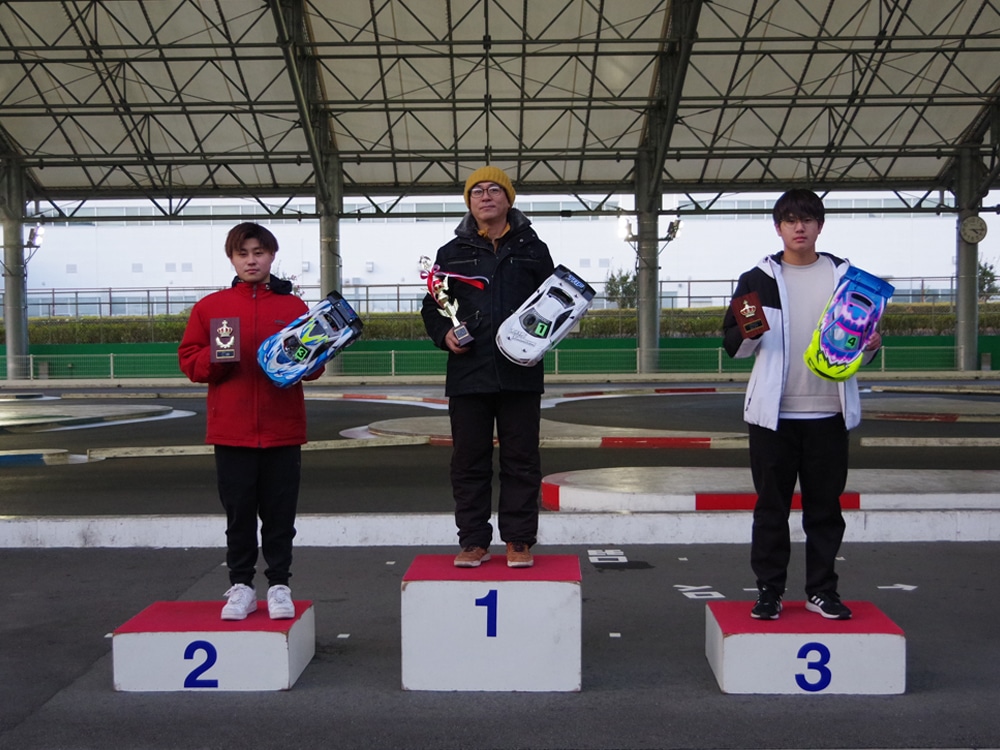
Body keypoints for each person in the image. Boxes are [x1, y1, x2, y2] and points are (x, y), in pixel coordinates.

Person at [722, 189, 882, 621]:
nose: (799, 227)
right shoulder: (756, 280)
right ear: (778, 228)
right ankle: (769, 592)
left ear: (819, 226)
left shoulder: (846, 278)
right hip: (772, 416)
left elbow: (862, 346)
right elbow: (733, 347)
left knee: (825, 510)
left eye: (807, 219)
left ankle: (822, 591)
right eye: (791, 220)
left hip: (830, 413)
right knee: (770, 510)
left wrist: (871, 345)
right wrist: (750, 332)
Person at [178, 222, 322, 620]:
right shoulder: (211, 307)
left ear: (272, 256)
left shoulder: (293, 308)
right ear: (232, 259)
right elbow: (189, 361)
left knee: (280, 516)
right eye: (242, 254)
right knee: (239, 515)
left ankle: (279, 586)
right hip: (232, 432)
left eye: (259, 252)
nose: (251, 260)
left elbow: (312, 369)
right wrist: (217, 359)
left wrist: (312, 357)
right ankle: (240, 585)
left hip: (283, 430)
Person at [421, 166, 555, 568]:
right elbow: (432, 306)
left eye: (494, 190)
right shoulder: (450, 253)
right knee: (468, 462)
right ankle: (473, 541)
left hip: (521, 372)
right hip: (468, 374)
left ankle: (519, 540)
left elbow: (556, 304)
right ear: (469, 202)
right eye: (477, 191)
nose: (485, 197)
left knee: (521, 461)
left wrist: (544, 338)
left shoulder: (534, 249)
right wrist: (444, 333)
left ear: (508, 199)